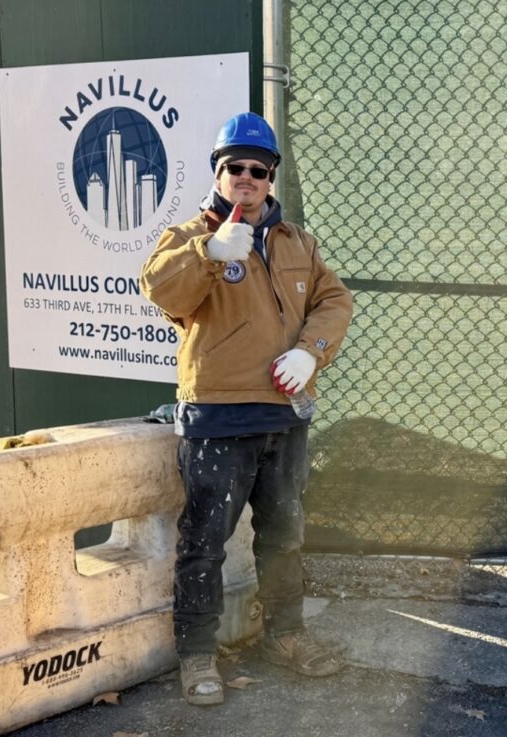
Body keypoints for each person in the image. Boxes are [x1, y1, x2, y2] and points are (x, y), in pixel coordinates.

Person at [139, 112, 353, 706]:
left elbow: (335, 300)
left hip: (284, 418)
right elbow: (162, 290)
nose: (246, 177)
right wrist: (208, 252)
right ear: (218, 171)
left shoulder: (296, 242)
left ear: (271, 177)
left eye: (258, 169)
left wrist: (311, 354)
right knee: (204, 542)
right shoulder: (186, 237)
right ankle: (198, 655)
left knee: (284, 536)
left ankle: (285, 636)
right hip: (217, 416)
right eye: (234, 166)